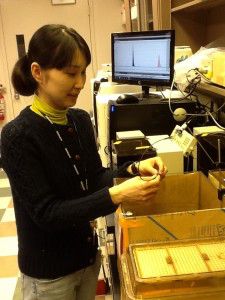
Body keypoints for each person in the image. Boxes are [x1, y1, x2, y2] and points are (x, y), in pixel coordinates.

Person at [0, 24, 167, 300]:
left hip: (87, 261)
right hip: (50, 276)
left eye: (83, 72)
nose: (80, 82)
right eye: (70, 73)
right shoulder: (17, 136)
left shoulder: (78, 120)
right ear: (38, 73)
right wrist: (117, 194)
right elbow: (47, 213)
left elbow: (93, 178)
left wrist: (133, 169)